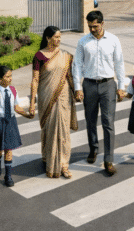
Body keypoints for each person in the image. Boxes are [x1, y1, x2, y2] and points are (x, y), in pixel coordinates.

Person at [73, 10, 126, 176]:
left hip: (108, 84)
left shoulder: (113, 40)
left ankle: (108, 160)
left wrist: (121, 86)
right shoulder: (83, 42)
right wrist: (78, 87)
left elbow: (120, 63)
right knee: (90, 120)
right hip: (89, 85)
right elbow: (77, 65)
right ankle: (93, 149)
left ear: (102, 23)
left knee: (108, 122)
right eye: (90, 26)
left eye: (95, 26)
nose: (92, 29)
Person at [29, 26, 78, 179]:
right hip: (46, 97)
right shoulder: (39, 56)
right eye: (56, 37)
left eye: (60, 37)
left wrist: (77, 91)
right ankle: (48, 159)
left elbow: (69, 76)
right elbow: (35, 80)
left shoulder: (65, 56)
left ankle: (63, 165)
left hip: (63, 97)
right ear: (48, 38)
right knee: (49, 131)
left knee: (63, 131)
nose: (59, 40)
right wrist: (32, 103)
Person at [0, 65, 34, 187]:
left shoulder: (13, 90)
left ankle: (8, 176)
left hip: (10, 122)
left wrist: (27, 115)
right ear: (0, 79)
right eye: (7, 76)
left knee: (8, 149)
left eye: (11, 75)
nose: (10, 78)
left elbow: (16, 107)